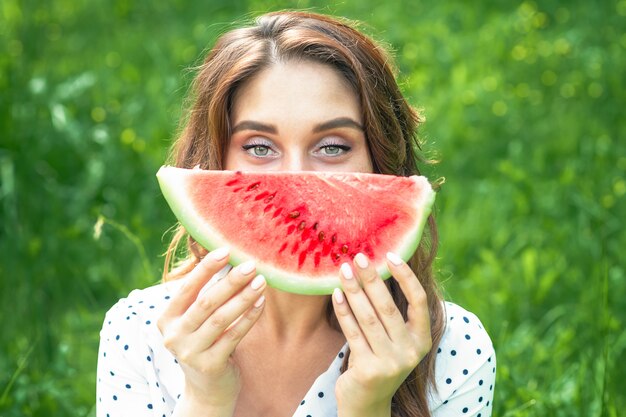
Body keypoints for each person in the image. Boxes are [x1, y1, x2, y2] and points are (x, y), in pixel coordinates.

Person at [96, 11, 496, 417]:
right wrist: (206, 399)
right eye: (258, 147)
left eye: (333, 147)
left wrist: (368, 406)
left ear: (382, 162)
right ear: (215, 160)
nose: (296, 179)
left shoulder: (453, 351)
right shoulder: (139, 334)